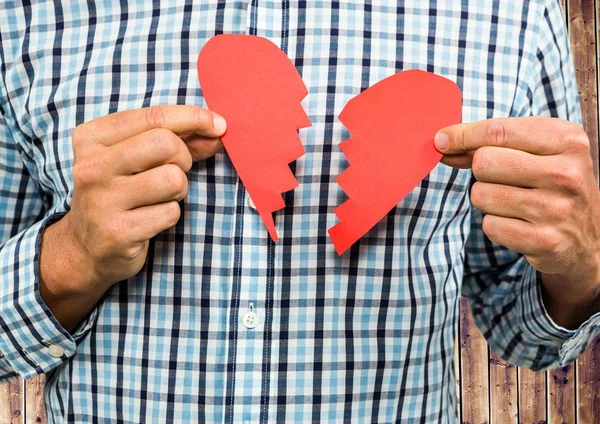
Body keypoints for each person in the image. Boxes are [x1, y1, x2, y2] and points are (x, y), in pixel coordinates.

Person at [1, 1, 599, 422]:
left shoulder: (512, 12)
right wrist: (71, 257)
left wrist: (585, 270)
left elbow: (525, 332)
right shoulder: (24, 14)